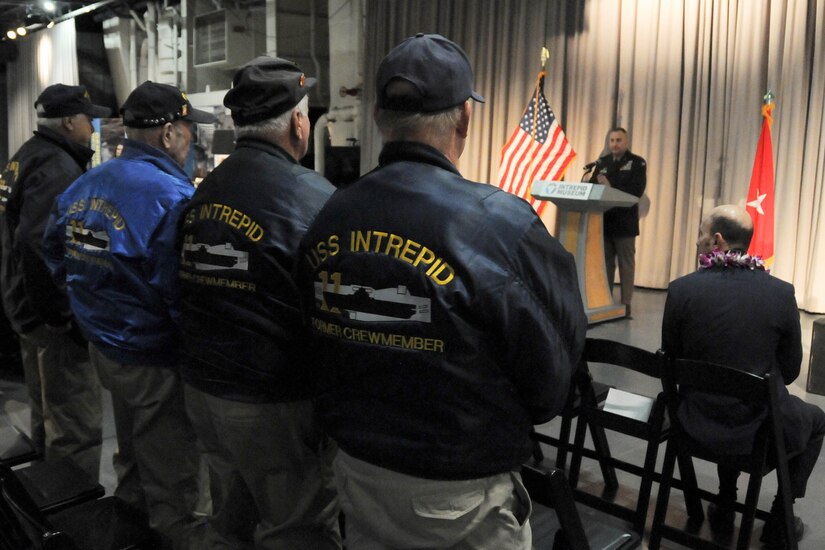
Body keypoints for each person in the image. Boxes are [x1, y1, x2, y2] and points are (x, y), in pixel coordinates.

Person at [295, 33, 587, 549]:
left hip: (357, 472)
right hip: (459, 491)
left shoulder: (328, 215)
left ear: (381, 117)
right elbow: (551, 379)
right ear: (465, 119)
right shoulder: (500, 226)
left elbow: (311, 339)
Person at [43, 81, 216, 550]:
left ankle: (132, 526)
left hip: (107, 347)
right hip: (154, 356)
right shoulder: (172, 197)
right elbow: (178, 289)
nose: (191, 141)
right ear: (167, 135)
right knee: (178, 485)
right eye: (187, 130)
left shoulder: (87, 182)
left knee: (134, 456)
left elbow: (53, 251)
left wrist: (89, 306)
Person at [177, 56, 341, 549]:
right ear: (297, 121)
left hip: (204, 389)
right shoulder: (313, 198)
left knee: (231, 521)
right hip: (272, 402)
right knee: (297, 528)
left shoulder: (201, 194)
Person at [662, 204, 825, 547]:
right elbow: (791, 369)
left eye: (701, 236)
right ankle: (781, 515)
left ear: (717, 240)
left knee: (727, 394)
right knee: (816, 419)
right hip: (755, 431)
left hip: (692, 421)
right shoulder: (780, 293)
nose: (697, 243)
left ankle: (725, 498)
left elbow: (671, 360)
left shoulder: (681, 290)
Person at [0, 84, 109, 479]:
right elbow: (37, 244)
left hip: (24, 306)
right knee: (75, 427)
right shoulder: (57, 168)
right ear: (68, 122)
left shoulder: (26, 156)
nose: (92, 129)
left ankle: (42, 506)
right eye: (87, 120)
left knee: (47, 414)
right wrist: (61, 315)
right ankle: (74, 524)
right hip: (49, 319)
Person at [589, 127, 646, 317]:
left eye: (618, 140)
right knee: (605, 265)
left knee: (625, 264)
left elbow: (635, 190)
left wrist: (611, 186)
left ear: (626, 142)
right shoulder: (602, 162)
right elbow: (591, 186)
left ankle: (626, 304)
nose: (614, 144)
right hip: (605, 221)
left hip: (625, 223)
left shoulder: (637, 163)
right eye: (612, 140)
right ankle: (605, 300)